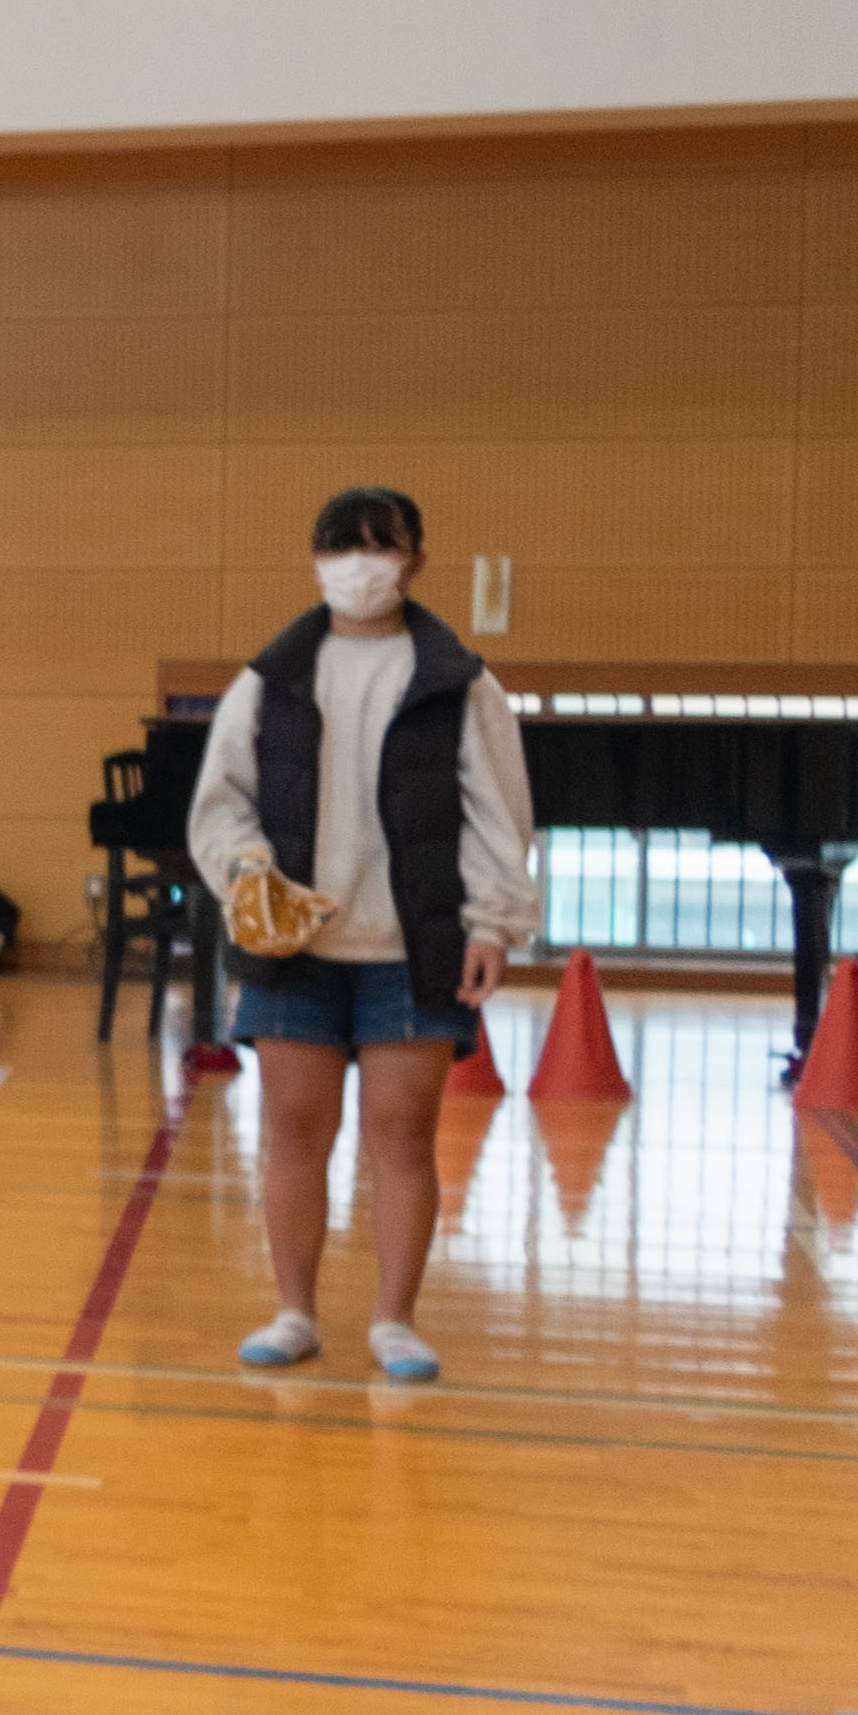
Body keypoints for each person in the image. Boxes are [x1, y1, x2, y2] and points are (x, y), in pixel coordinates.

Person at [187, 483, 540, 1387]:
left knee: (400, 1135)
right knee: (293, 1132)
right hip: (292, 955)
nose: (361, 563)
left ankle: (395, 1320)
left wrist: (492, 923)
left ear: (415, 558)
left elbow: (500, 816)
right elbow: (218, 803)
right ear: (314, 560)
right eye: (343, 546)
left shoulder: (459, 682)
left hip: (409, 951)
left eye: (381, 546)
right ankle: (293, 1310)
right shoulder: (268, 678)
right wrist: (246, 872)